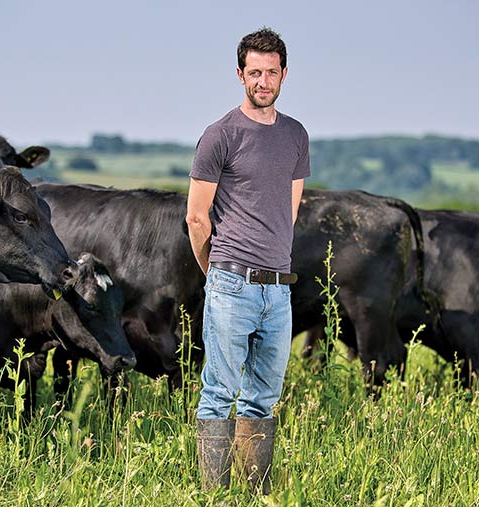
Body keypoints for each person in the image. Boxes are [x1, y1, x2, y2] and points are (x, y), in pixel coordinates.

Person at [185, 27, 310, 494]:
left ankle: (254, 495)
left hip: (278, 288)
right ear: (240, 75)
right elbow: (197, 219)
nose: (263, 80)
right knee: (218, 395)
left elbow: (290, 210)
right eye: (254, 72)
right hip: (231, 283)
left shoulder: (296, 136)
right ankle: (214, 497)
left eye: (271, 72)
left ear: (284, 74)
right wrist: (216, 274)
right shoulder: (220, 135)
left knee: (264, 398)